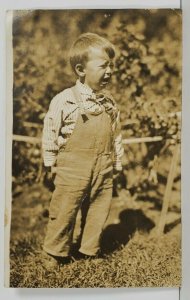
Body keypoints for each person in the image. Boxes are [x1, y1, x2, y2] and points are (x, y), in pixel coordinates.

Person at [42, 32, 124, 269]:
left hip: (103, 166)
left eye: (111, 66)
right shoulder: (64, 100)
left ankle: (89, 251)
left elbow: (116, 134)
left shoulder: (109, 103)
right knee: (65, 209)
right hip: (72, 168)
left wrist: (117, 162)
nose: (109, 71)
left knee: (99, 208)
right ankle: (55, 253)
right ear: (81, 70)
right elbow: (50, 131)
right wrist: (50, 161)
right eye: (103, 66)